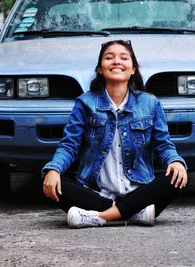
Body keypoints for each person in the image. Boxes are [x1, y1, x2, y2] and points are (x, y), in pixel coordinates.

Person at [42, 40, 187, 228]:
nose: (116, 61)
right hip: (95, 192)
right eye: (109, 57)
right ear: (100, 69)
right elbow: (69, 145)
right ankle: (132, 214)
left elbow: (163, 145)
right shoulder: (85, 103)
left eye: (124, 58)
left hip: (138, 191)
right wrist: (54, 169)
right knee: (52, 180)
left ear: (133, 69)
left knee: (176, 178)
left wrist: (174, 161)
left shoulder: (150, 103)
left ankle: (99, 218)